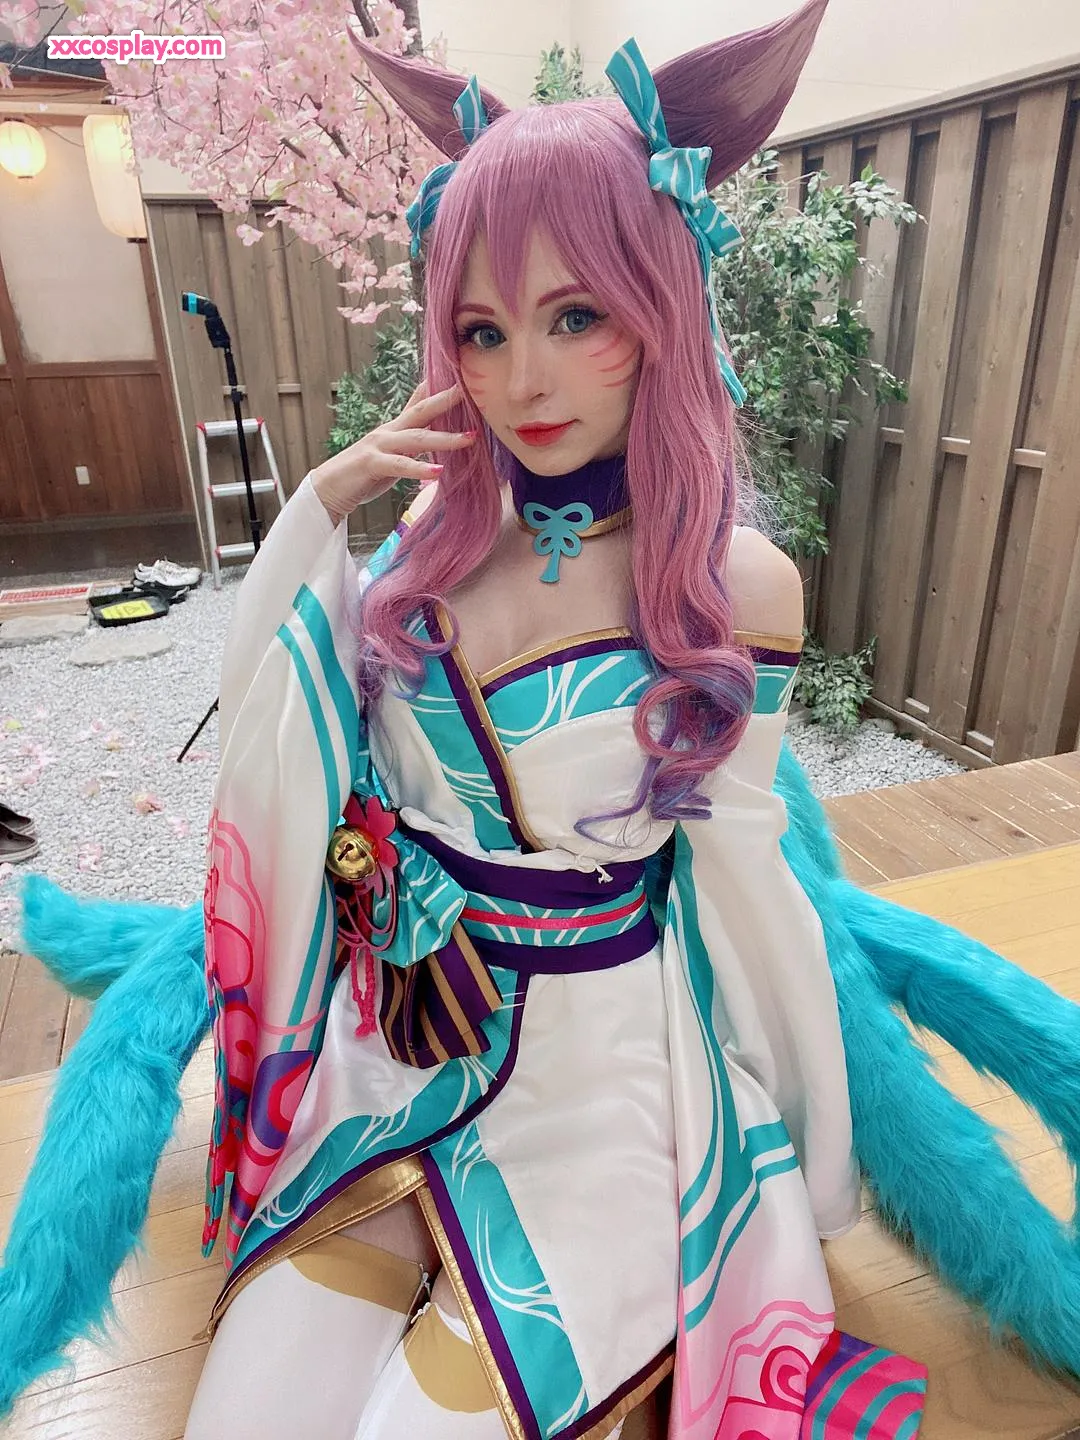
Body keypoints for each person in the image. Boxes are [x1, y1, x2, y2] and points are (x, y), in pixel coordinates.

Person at [181, 3, 928, 1436]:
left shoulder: (731, 589)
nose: (522, 377)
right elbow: (283, 749)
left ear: (661, 308)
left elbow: (744, 881)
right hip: (406, 1047)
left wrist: (795, 1144)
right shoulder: (422, 552)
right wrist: (322, 506)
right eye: (483, 328)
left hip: (606, 1082)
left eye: (577, 316)